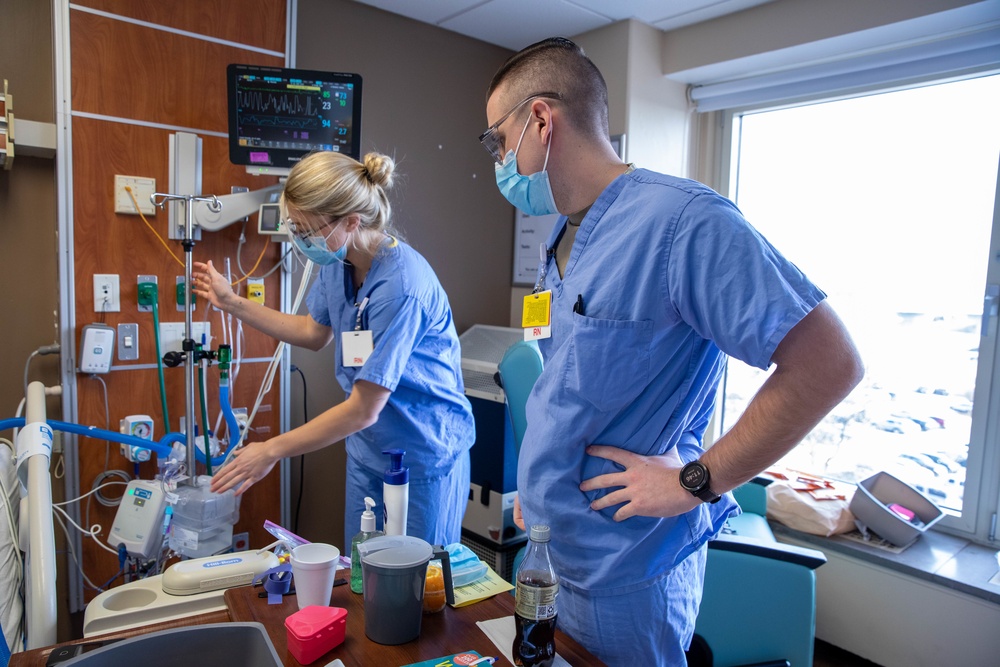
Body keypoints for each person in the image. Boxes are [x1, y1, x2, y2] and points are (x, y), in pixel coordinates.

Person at [481, 37, 864, 665]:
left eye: (498, 140)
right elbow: (578, 385)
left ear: (541, 121)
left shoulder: (685, 223)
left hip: (627, 571)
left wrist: (697, 481)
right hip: (556, 551)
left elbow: (829, 362)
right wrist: (540, 480)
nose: (497, 159)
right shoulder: (563, 235)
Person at [192, 150, 475, 550]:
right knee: (362, 578)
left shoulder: (402, 287)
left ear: (351, 222)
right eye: (295, 227)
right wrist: (233, 303)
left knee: (416, 590)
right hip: (368, 450)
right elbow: (313, 331)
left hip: (422, 454)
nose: (301, 240)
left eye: (307, 230)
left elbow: (364, 407)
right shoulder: (339, 261)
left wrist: (271, 449)